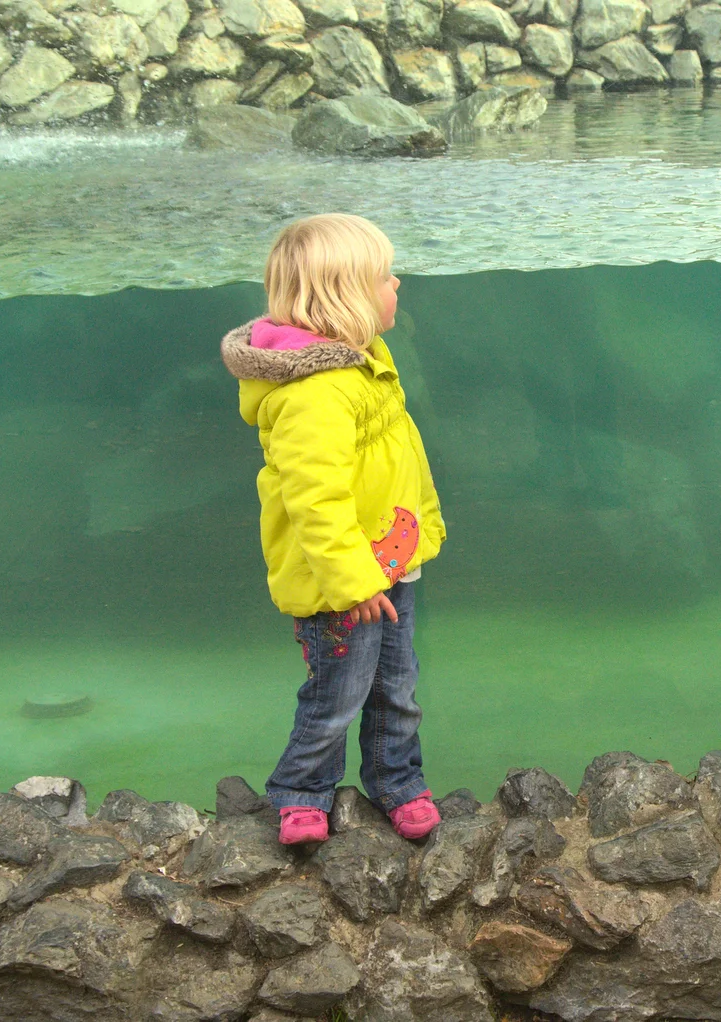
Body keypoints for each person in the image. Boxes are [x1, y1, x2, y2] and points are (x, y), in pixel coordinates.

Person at [221, 214, 447, 844]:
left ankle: (398, 782)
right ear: (345, 297)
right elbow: (314, 501)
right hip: (340, 579)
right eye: (383, 276)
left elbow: (394, 455)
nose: (397, 283)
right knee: (337, 693)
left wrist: (418, 529)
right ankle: (300, 791)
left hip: (387, 563)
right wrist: (353, 583)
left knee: (396, 687)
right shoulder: (316, 391)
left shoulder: (364, 359)